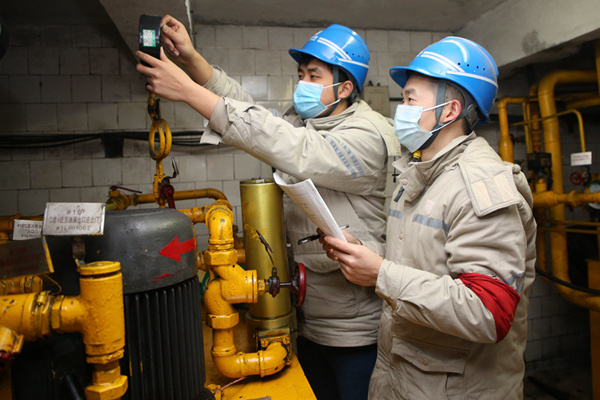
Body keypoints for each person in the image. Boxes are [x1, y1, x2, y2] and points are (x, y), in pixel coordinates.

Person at [136, 17, 400, 400]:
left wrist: (189, 92)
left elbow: (291, 148)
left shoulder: (367, 134)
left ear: (345, 88)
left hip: (354, 330)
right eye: (301, 74)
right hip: (307, 318)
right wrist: (192, 61)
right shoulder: (307, 121)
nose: (302, 83)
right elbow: (249, 110)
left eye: (313, 76)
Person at [320, 37, 537, 399]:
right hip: (409, 379)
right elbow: (420, 261)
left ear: (449, 111)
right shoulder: (420, 172)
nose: (400, 110)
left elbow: (488, 312)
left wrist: (381, 274)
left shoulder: (480, 183)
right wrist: (365, 252)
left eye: (409, 99)